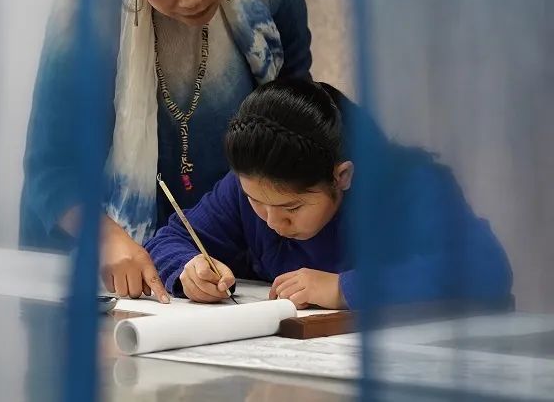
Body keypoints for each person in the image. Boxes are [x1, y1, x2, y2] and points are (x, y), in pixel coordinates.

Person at [20, 0, 312, 302]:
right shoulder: (86, 10)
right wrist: (109, 240)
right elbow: (50, 170)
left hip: (227, 255)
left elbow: (297, 116)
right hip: (107, 262)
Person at [145, 78, 513, 309]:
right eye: (257, 202)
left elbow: (486, 267)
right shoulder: (249, 188)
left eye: (292, 207)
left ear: (342, 176)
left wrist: (344, 289)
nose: (273, 222)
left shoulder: (410, 187)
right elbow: (173, 237)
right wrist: (189, 269)